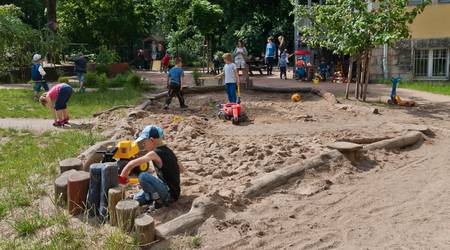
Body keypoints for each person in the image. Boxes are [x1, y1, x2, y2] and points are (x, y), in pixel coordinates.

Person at [119, 125, 184, 209]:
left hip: (168, 195)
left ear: (152, 140)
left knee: (143, 176)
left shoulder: (153, 153)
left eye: (144, 142)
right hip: (174, 193)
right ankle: (149, 197)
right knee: (137, 198)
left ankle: (158, 201)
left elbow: (131, 164)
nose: (143, 145)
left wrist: (122, 179)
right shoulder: (170, 152)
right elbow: (182, 170)